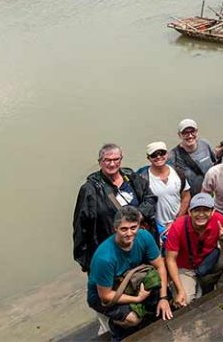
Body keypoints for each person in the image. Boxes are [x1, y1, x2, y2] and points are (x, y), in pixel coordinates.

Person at [86, 206, 172, 337]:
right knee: (133, 319)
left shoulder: (144, 237)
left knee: (164, 295)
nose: (129, 233)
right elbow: (105, 295)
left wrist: (163, 298)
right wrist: (138, 298)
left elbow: (160, 266)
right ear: (115, 228)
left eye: (133, 228)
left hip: (130, 280)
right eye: (123, 229)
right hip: (104, 294)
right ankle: (115, 326)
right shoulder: (105, 258)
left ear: (139, 226)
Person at [74, 144, 158, 273]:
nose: (112, 164)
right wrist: (87, 262)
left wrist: (139, 215)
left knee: (146, 283)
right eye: (107, 160)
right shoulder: (90, 190)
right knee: (112, 290)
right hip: (111, 249)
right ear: (100, 162)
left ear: (121, 159)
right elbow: (81, 226)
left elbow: (151, 199)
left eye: (116, 159)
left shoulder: (132, 178)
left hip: (139, 244)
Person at [164, 193, 223, 307]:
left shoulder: (218, 220)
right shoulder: (178, 227)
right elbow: (170, 260)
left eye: (205, 210)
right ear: (190, 212)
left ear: (212, 211)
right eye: (196, 210)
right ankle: (182, 289)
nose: (201, 214)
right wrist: (180, 290)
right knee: (185, 302)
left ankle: (220, 291)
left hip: (207, 262)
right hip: (185, 268)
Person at [143, 141, 191, 243]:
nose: (159, 157)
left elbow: (186, 197)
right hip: (156, 228)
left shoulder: (178, 173)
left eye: (162, 153)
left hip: (179, 223)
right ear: (148, 158)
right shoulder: (143, 178)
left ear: (167, 154)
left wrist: (177, 221)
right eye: (154, 155)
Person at [168, 119, 218, 196]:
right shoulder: (173, 156)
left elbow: (215, 164)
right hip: (190, 200)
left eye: (192, 131)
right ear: (179, 135)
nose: (190, 136)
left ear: (197, 132)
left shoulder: (205, 144)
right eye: (185, 133)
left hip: (209, 195)